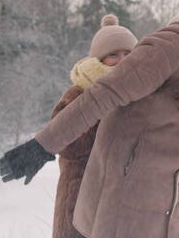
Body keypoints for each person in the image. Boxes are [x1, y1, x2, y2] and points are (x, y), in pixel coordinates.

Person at [0, 0, 179, 238]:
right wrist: (43, 146)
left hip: (174, 201)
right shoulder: (170, 47)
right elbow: (102, 94)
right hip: (127, 194)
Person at [51, 14, 137, 238]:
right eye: (113, 55)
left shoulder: (139, 94)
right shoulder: (79, 93)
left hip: (122, 199)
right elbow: (64, 143)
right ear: (99, 59)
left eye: (128, 54)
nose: (122, 60)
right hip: (79, 196)